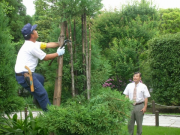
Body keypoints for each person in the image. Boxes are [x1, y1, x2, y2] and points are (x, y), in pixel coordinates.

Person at [15, 23, 65, 111]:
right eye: (34, 30)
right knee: (42, 94)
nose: (36, 31)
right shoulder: (31, 46)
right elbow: (45, 58)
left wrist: (60, 44)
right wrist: (58, 53)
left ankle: (37, 99)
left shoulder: (33, 43)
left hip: (23, 74)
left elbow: (47, 45)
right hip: (25, 76)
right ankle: (51, 116)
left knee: (41, 78)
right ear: (32, 35)